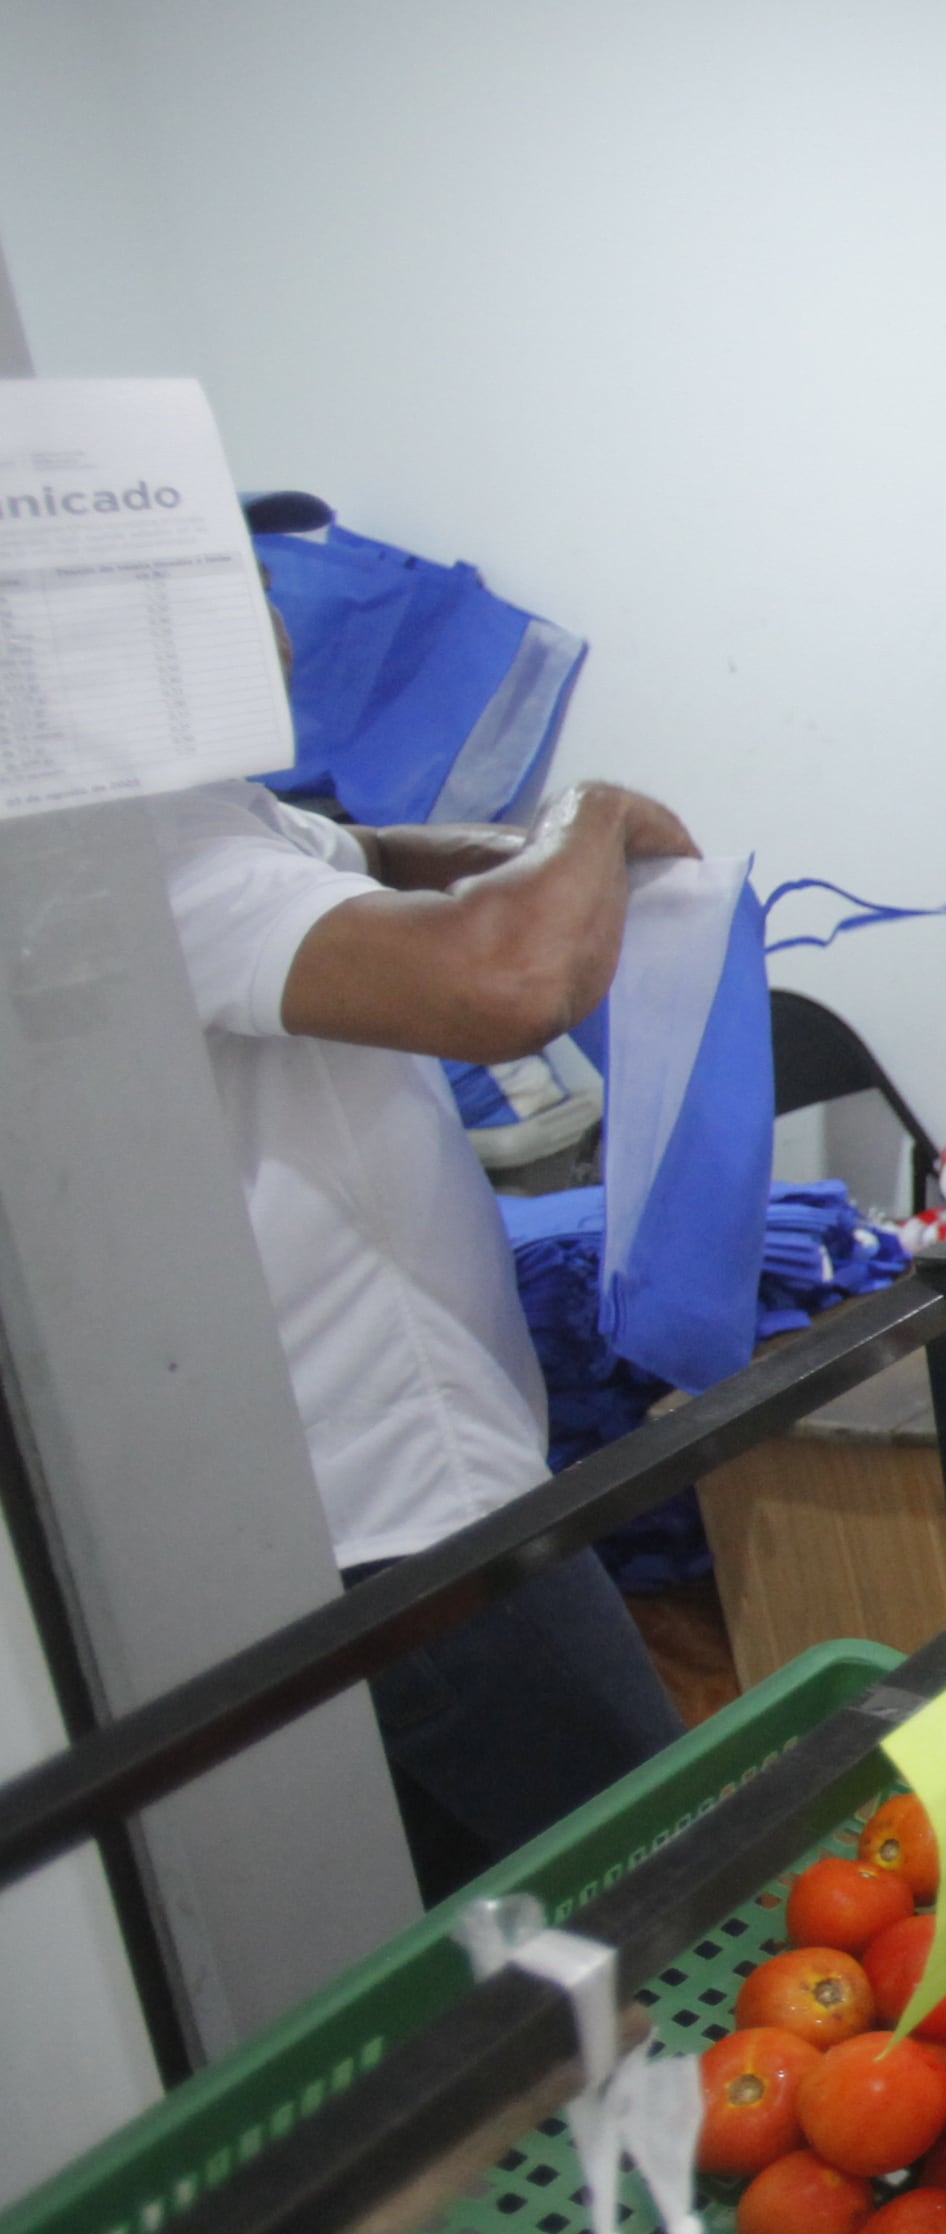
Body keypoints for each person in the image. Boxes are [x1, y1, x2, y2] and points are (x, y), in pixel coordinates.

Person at [153, 754, 710, 1892]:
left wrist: (556, 858)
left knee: (480, 1938)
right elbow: (503, 984)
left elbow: (387, 853)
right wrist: (591, 815)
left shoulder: (214, 817)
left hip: (371, 1511)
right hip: (403, 1518)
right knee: (684, 1893)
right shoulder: (155, 859)